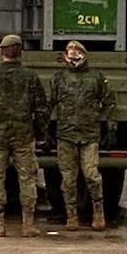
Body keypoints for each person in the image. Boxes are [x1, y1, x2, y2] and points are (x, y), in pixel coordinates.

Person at [0, 34, 48, 237]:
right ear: (20, 52)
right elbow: (41, 108)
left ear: (1, 52)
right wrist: (40, 133)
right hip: (24, 134)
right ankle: (28, 224)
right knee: (28, 177)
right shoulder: (30, 77)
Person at [48, 40, 117, 231]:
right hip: (66, 135)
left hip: (89, 136)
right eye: (70, 53)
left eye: (77, 52)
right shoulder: (58, 79)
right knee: (68, 180)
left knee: (92, 176)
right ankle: (71, 216)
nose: (74, 56)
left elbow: (109, 103)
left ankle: (98, 213)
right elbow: (48, 105)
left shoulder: (95, 78)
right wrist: (45, 131)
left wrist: (111, 129)